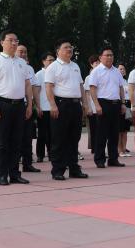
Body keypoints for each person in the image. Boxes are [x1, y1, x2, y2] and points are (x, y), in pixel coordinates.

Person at [0, 31, 32, 185]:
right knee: (2, 142)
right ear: (2, 42)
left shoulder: (22, 62)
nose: (14, 43)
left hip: (19, 105)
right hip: (2, 104)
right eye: (10, 40)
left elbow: (27, 85)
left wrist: (29, 104)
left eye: (16, 40)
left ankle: (15, 174)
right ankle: (2, 174)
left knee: (17, 141)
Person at [44, 39, 89, 181]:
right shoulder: (53, 67)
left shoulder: (75, 66)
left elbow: (81, 86)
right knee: (59, 139)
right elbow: (48, 87)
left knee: (74, 138)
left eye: (70, 47)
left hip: (75, 105)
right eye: (66, 47)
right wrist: (52, 105)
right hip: (61, 104)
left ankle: (74, 169)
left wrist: (85, 104)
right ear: (58, 51)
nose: (69, 49)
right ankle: (58, 170)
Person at [88, 48, 127, 168]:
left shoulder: (116, 71)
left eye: (111, 55)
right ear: (101, 57)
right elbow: (92, 89)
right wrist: (96, 105)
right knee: (101, 134)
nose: (110, 57)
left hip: (116, 104)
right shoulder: (96, 71)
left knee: (114, 133)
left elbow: (121, 88)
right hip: (103, 103)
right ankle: (99, 160)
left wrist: (123, 103)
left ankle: (113, 159)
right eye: (107, 55)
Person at [16, 44, 40, 173]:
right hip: (13, 104)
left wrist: (36, 105)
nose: (23, 54)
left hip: (27, 105)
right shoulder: (11, 65)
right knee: (14, 137)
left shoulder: (29, 68)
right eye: (20, 51)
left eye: (25, 52)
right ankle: (12, 165)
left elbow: (34, 88)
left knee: (27, 136)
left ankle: (27, 163)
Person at [33, 52, 55, 163]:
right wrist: (38, 106)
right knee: (42, 133)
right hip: (43, 108)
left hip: (54, 108)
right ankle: (40, 155)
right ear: (43, 61)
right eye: (49, 60)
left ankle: (52, 154)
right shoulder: (39, 75)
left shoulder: (56, 72)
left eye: (53, 60)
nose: (51, 62)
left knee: (53, 133)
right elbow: (36, 92)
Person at [83, 55, 99, 154]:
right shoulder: (88, 78)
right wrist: (88, 107)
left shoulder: (102, 75)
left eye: (99, 62)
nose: (98, 64)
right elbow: (87, 93)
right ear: (91, 65)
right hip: (92, 108)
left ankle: (99, 148)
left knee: (101, 129)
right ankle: (94, 148)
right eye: (96, 63)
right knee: (93, 129)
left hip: (101, 106)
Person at [117, 64, 133, 157]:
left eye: (123, 69)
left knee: (125, 130)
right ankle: (119, 150)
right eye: (120, 69)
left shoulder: (127, 82)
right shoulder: (115, 81)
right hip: (119, 104)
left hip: (127, 105)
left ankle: (124, 149)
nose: (122, 70)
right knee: (119, 129)